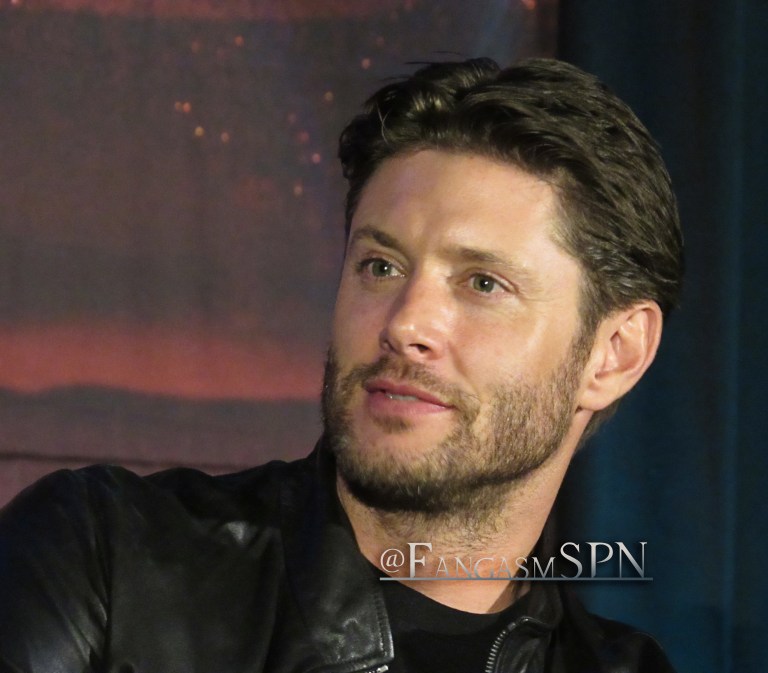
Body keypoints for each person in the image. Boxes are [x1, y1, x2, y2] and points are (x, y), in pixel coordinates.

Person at [0, 57, 682, 672]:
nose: (406, 323)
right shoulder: (106, 560)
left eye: (483, 283)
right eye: (380, 266)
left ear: (613, 355)